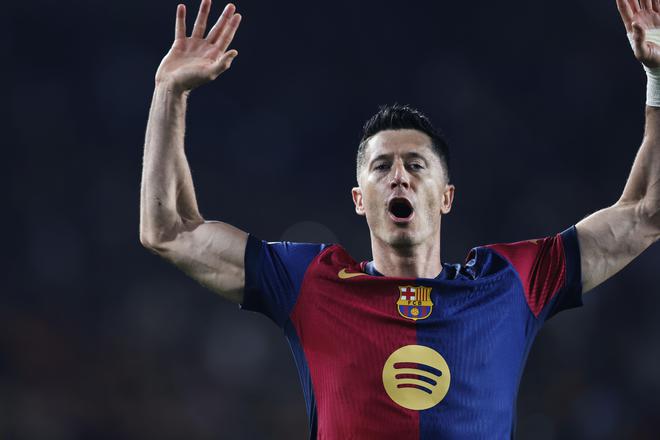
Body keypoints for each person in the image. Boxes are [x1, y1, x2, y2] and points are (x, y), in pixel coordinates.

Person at [139, 0, 660, 438]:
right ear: (359, 199)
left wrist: (657, 77)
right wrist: (169, 92)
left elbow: (646, 212)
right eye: (381, 167)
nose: (399, 177)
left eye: (416, 165)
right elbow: (168, 231)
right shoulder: (311, 282)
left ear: (446, 196)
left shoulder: (509, 283)